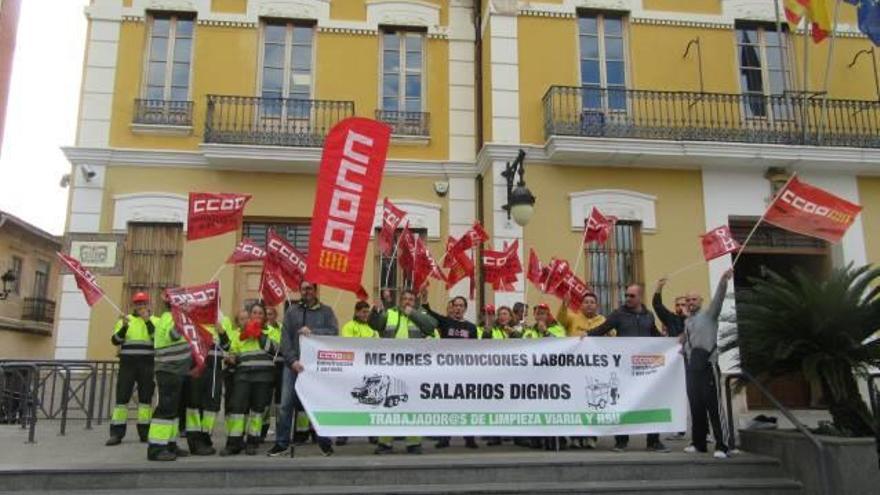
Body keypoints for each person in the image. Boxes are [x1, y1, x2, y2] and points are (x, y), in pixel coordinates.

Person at [589, 285, 670, 453]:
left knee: (650, 403)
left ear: (640, 297)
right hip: (624, 369)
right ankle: (621, 441)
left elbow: (655, 335)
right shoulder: (618, 314)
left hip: (646, 369)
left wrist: (671, 343)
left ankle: (653, 441)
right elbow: (602, 329)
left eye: (631, 296)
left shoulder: (649, 315)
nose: (627, 298)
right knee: (623, 404)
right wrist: (586, 336)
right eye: (626, 295)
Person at [268, 281, 339, 457]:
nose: (305, 292)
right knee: (285, 405)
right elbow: (285, 339)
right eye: (303, 289)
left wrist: (313, 331)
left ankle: (324, 442)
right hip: (293, 367)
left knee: (319, 405)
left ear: (315, 291)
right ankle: (282, 443)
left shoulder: (326, 311)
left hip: (316, 368)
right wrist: (292, 361)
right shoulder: (292, 311)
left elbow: (334, 332)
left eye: (309, 288)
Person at [368, 289, 436, 454]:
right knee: (388, 404)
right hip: (391, 367)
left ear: (415, 302)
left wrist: (412, 313)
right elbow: (375, 324)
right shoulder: (390, 313)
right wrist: (375, 312)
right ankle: (385, 443)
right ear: (399, 301)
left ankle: (413, 443)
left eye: (411, 299)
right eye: (404, 299)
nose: (407, 301)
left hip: (414, 368)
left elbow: (431, 326)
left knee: (413, 404)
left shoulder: (420, 313)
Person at [683, 269, 732, 459]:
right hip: (692, 368)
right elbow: (689, 343)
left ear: (701, 301)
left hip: (708, 367)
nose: (690, 303)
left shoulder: (710, 315)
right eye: (688, 300)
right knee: (696, 406)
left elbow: (719, 299)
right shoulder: (688, 321)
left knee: (714, 407)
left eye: (693, 300)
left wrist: (723, 281)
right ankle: (699, 443)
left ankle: (722, 445)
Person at [420, 290, 479, 449]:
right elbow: (429, 312)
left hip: (465, 373)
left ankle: (470, 438)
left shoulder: (471, 328)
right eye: (456, 305)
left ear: (465, 309)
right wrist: (425, 299)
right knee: (446, 405)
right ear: (452, 308)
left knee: (467, 406)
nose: (458, 308)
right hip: (447, 372)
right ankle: (444, 438)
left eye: (461, 305)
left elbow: (476, 350)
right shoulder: (446, 322)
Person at [221, 303, 278, 456]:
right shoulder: (241, 333)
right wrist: (231, 358)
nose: (257, 315)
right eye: (255, 312)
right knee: (237, 410)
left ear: (265, 316)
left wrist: (259, 334)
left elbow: (275, 350)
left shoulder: (272, 331)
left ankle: (253, 442)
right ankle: (234, 443)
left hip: (263, 377)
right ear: (250, 315)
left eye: (261, 313)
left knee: (257, 411)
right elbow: (234, 351)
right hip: (243, 375)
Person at [146, 295, 193, 461]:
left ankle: (170, 444)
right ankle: (156, 448)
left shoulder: (170, 317)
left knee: (172, 411)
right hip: (169, 371)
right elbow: (173, 335)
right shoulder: (170, 318)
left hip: (175, 371)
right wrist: (182, 319)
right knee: (165, 410)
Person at [106, 292, 155, 446]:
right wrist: (124, 327)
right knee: (121, 399)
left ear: (148, 304)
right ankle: (116, 434)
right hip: (127, 364)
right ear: (134, 305)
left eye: (143, 303)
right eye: (138, 303)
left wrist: (147, 321)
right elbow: (115, 340)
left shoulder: (155, 320)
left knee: (145, 400)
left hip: (147, 364)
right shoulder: (125, 320)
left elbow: (157, 339)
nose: (140, 306)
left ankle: (145, 433)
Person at [557, 293, 605, 449]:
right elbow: (561, 320)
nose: (589, 304)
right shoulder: (573, 318)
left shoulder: (603, 321)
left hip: (595, 369)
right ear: (581, 305)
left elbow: (613, 337)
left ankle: (591, 436)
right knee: (577, 403)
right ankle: (575, 436)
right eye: (586, 302)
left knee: (592, 403)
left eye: (592, 302)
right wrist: (564, 305)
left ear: (596, 305)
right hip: (575, 369)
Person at [184, 308, 231, 456]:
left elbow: (227, 347)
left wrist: (221, 331)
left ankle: (205, 438)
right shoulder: (196, 317)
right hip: (197, 364)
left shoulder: (224, 319)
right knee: (194, 403)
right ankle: (194, 440)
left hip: (215, 366)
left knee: (212, 404)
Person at [523, 304, 567, 450]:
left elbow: (562, 345)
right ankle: (536, 438)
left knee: (554, 408)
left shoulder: (557, 328)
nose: (540, 316)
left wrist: (546, 332)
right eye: (538, 313)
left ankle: (558, 439)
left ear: (548, 315)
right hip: (534, 375)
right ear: (534, 315)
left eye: (543, 313)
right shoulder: (529, 331)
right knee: (535, 407)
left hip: (553, 374)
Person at [222, 309, 247, 440]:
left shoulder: (253, 334)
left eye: (247, 318)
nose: (245, 321)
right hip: (231, 372)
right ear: (237, 322)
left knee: (242, 404)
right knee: (230, 402)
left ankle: (241, 431)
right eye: (242, 319)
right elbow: (227, 352)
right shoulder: (232, 334)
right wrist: (230, 357)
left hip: (245, 373)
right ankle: (231, 430)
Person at [261, 305, 283, 443]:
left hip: (281, 367)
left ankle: (281, 431)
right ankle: (262, 431)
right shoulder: (262, 329)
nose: (269, 317)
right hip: (267, 366)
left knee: (280, 402)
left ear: (275, 315)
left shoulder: (282, 327)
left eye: (271, 314)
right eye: (266, 314)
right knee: (265, 401)